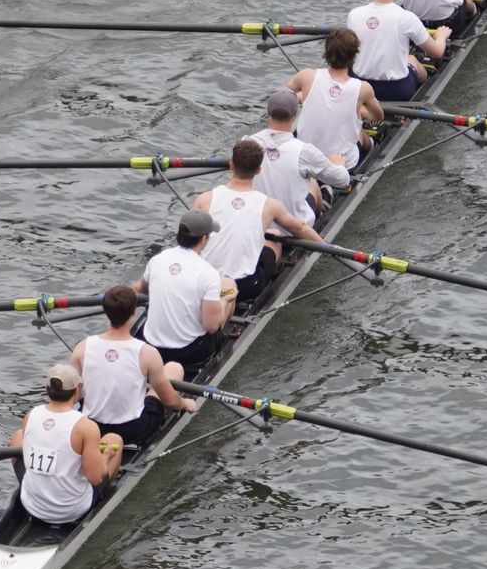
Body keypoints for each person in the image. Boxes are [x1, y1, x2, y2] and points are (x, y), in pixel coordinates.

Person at [193, 138, 324, 304]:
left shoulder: (204, 199)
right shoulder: (269, 205)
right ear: (259, 170)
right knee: (274, 238)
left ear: (231, 165)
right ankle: (271, 279)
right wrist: (328, 248)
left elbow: (187, 240)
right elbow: (301, 230)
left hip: (204, 283)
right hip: (245, 287)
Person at [69, 284, 198, 452]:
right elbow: (170, 401)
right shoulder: (146, 352)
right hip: (133, 431)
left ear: (106, 311)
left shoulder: (82, 348)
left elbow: (71, 395)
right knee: (174, 368)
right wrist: (184, 403)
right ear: (133, 313)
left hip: (93, 429)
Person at [9, 362, 119, 526]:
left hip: (32, 506)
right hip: (73, 510)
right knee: (114, 439)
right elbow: (95, 478)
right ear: (77, 390)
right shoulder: (86, 426)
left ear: (47, 389)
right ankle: (108, 495)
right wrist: (108, 454)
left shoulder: (31, 415)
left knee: (18, 436)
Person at [132, 208, 238, 377]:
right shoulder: (208, 273)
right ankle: (220, 343)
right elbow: (211, 327)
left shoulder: (158, 260)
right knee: (229, 287)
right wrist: (226, 301)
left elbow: (138, 289)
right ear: (203, 239)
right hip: (188, 353)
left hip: (150, 347)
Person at [348, 0, 448, 104]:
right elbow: (438, 52)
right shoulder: (406, 17)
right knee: (413, 60)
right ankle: (426, 87)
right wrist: (441, 36)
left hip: (360, 88)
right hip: (397, 90)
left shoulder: (354, 15)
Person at [286, 27, 384, 171]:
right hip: (341, 163)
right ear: (354, 56)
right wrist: (361, 113)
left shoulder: (306, 76)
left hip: (304, 158)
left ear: (326, 52)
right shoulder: (363, 88)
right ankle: (370, 144)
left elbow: (281, 96)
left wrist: (302, 96)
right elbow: (378, 116)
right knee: (360, 132)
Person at [248, 88, 350, 225]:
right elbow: (343, 180)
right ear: (295, 116)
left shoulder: (246, 143)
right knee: (312, 181)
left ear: (268, 113)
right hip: (294, 226)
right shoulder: (305, 151)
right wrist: (339, 164)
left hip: (259, 224)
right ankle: (321, 214)